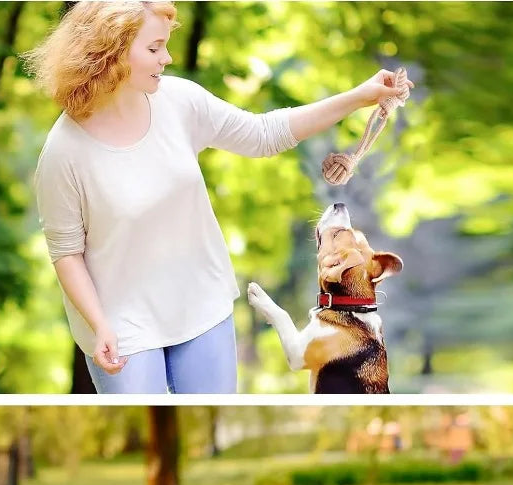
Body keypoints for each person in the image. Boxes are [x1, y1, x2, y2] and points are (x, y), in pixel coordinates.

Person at [24, 1, 411, 394]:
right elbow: (66, 254)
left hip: (201, 302)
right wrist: (99, 324)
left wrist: (361, 97)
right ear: (111, 51)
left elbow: (264, 134)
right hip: (120, 324)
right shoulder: (64, 152)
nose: (168, 57)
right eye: (154, 49)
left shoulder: (179, 101)